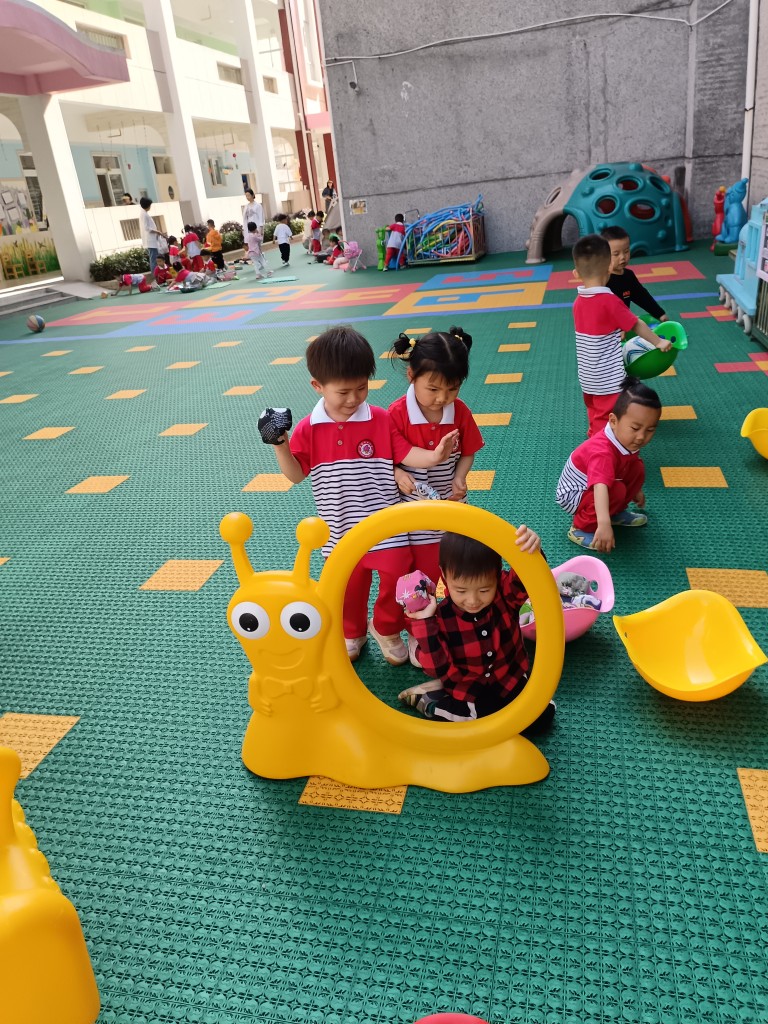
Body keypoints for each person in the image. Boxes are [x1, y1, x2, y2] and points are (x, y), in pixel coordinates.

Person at [262, 326, 460, 665]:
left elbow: (407, 454)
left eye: (361, 387)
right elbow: (295, 475)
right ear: (318, 386)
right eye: (343, 392)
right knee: (347, 587)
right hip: (339, 529)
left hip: (386, 526)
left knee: (399, 577)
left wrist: (435, 456)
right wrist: (280, 444)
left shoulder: (380, 419)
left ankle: (386, 628)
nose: (354, 399)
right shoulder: (309, 427)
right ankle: (352, 632)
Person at [399, 532, 556, 733]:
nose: (473, 601)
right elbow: (436, 667)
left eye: (484, 590)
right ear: (444, 575)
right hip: (469, 688)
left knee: (543, 716)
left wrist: (531, 551)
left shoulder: (505, 593)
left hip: (510, 677)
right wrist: (425, 623)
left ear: (497, 574)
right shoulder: (438, 618)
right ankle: (431, 702)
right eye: (461, 591)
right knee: (476, 727)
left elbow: (527, 578)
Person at [388, 327, 484, 592]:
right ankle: (420, 614)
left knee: (456, 564)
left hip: (452, 502)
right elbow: (386, 458)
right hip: (415, 509)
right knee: (422, 573)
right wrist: (398, 473)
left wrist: (460, 476)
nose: (442, 398)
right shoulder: (397, 414)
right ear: (411, 376)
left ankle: (454, 608)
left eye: (453, 388)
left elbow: (468, 451)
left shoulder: (460, 412)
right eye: (433, 389)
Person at [571, 234, 671, 437]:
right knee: (606, 422)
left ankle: (594, 438)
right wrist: (658, 341)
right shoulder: (609, 300)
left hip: (587, 377)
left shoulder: (578, 302)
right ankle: (600, 450)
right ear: (609, 267)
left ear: (576, 273)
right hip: (608, 379)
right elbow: (637, 324)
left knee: (595, 412)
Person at [556, 376, 662, 552]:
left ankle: (615, 512)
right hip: (574, 494)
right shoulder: (602, 451)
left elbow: (629, 465)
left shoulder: (625, 440)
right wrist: (604, 524)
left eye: (650, 430)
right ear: (613, 421)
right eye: (635, 428)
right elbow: (600, 487)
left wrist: (635, 489)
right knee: (616, 490)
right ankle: (581, 527)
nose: (641, 436)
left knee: (637, 467)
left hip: (594, 487)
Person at [601, 226, 669, 322]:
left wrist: (659, 313)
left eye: (626, 251)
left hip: (622, 323)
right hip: (604, 326)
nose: (622, 257)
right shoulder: (601, 279)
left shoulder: (628, 276)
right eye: (616, 254)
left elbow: (642, 296)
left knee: (640, 324)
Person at [138, 198, 165, 273]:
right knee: (154, 259)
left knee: (154, 258)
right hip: (150, 240)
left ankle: (156, 274)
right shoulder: (144, 214)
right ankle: (155, 274)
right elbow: (147, 228)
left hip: (151, 240)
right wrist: (157, 231)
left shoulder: (144, 213)